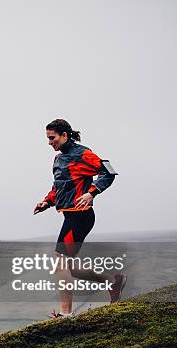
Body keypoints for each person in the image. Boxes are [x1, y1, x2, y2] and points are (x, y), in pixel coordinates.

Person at [33, 119, 126, 318]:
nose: (50, 142)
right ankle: (112, 281)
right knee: (70, 267)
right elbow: (58, 187)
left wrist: (92, 192)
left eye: (52, 138)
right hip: (70, 215)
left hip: (81, 216)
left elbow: (109, 172)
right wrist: (46, 203)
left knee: (60, 264)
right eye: (48, 139)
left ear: (64, 135)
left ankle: (65, 315)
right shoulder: (58, 159)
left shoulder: (83, 154)